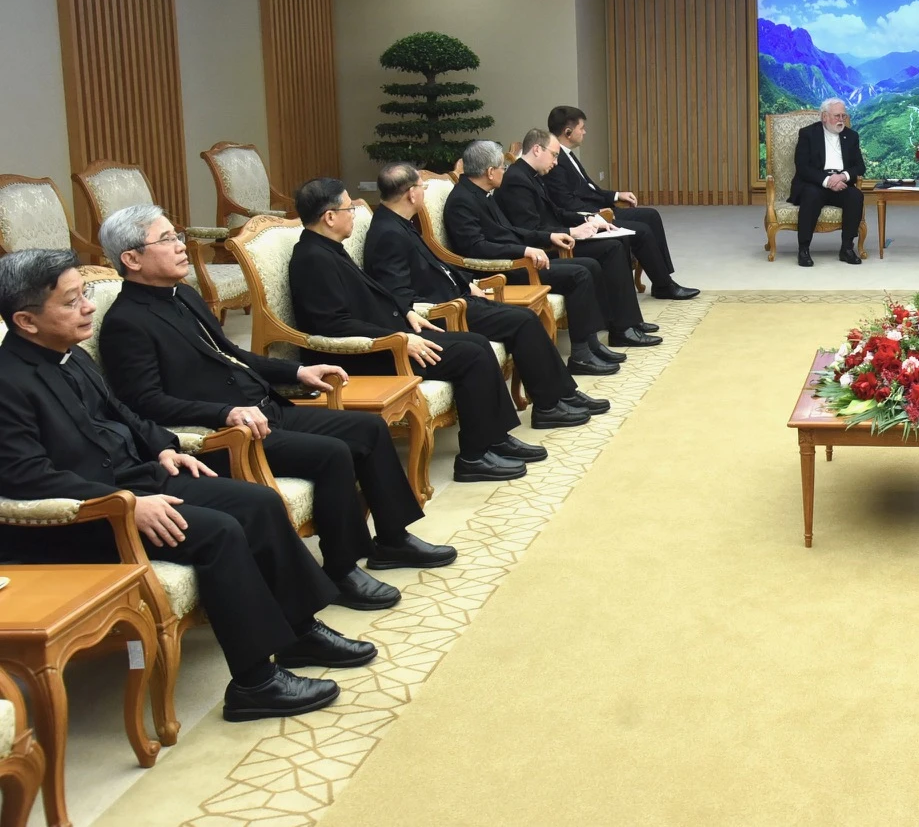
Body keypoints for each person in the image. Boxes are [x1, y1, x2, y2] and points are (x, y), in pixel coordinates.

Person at [0, 249, 375, 722]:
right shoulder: (7, 381)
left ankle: (299, 632)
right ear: (25, 321)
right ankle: (254, 683)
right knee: (218, 532)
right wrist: (126, 503)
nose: (88, 307)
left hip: (135, 478)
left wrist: (163, 445)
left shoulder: (69, 354)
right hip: (85, 516)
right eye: (72, 300)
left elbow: (120, 412)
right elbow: (25, 476)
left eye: (85, 295)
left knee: (259, 502)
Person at [97, 205, 456, 612]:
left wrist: (299, 370)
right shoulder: (126, 322)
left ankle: (392, 539)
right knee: (333, 453)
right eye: (167, 240)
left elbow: (231, 354)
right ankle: (341, 569)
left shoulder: (185, 295)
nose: (181, 246)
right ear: (131, 259)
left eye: (176, 236)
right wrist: (223, 415)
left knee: (367, 429)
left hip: (265, 408)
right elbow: (144, 402)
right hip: (226, 434)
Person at [287, 179, 540, 483]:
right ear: (329, 217)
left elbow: (373, 294)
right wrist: (400, 339)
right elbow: (331, 324)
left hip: (389, 337)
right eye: (349, 208)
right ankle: (474, 457)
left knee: (476, 343)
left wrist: (406, 313)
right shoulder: (312, 259)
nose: (353, 213)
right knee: (470, 355)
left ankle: (495, 439)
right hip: (368, 354)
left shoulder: (326, 248)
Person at [363, 162, 607, 425]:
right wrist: (453, 299)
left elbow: (437, 264)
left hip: (458, 296)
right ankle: (549, 406)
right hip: (441, 311)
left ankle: (562, 395)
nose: (422, 192)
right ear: (411, 194)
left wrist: (467, 283)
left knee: (524, 319)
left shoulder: (398, 222)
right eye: (421, 187)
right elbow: (400, 297)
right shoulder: (388, 233)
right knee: (523, 321)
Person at [443, 141, 624, 378]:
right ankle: (580, 355)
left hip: (516, 258)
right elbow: (477, 248)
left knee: (588, 265)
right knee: (579, 273)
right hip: (499, 270)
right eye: (501, 168)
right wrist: (524, 251)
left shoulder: (482, 193)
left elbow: (511, 230)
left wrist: (549, 236)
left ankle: (589, 342)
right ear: (489, 172)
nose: (504, 172)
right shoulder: (462, 201)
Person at [497, 130, 661, 350]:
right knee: (611, 248)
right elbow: (531, 228)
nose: (556, 162)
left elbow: (556, 211)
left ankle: (628, 321)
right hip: (546, 247)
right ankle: (622, 328)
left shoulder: (532, 175)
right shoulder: (517, 180)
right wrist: (573, 231)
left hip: (557, 237)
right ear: (537, 149)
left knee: (616, 241)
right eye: (554, 155)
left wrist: (590, 218)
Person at [546, 105, 697, 300]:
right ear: (568, 132)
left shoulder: (567, 154)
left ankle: (663, 279)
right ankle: (664, 284)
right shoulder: (555, 162)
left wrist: (617, 195)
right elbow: (567, 203)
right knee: (642, 230)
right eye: (581, 127)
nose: (585, 131)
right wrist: (598, 214)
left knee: (650, 215)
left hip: (597, 209)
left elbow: (590, 189)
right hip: (588, 217)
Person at [790, 98, 867, 267]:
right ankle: (804, 249)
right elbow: (802, 167)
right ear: (824, 116)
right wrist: (827, 181)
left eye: (844, 116)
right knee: (810, 195)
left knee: (855, 196)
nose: (841, 120)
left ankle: (847, 248)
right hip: (815, 183)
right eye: (837, 116)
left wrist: (843, 177)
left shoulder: (851, 136)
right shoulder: (808, 134)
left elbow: (860, 167)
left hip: (840, 182)